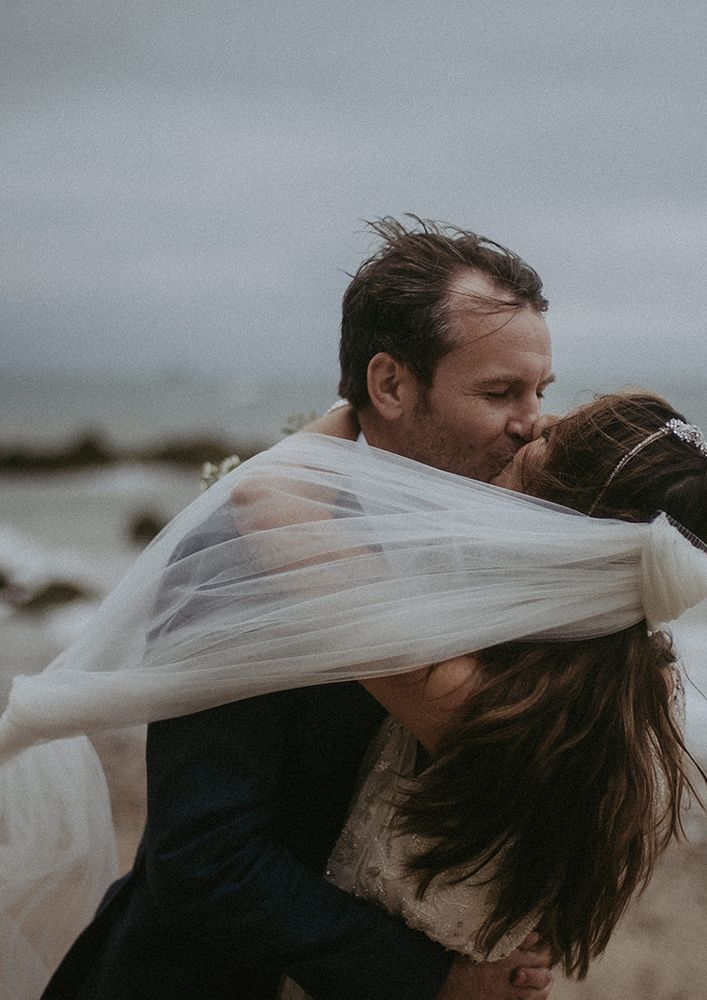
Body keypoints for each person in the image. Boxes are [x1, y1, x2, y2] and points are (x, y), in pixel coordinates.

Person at [5, 217, 558, 1000]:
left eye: (540, 391)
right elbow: (202, 855)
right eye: (500, 391)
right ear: (392, 385)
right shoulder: (241, 552)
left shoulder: (494, 552)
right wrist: (435, 980)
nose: (531, 421)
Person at [292, 389, 707, 994]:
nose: (528, 427)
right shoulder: (640, 691)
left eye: (548, 435)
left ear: (562, 517)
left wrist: (363, 402)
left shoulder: (467, 693)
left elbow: (270, 502)